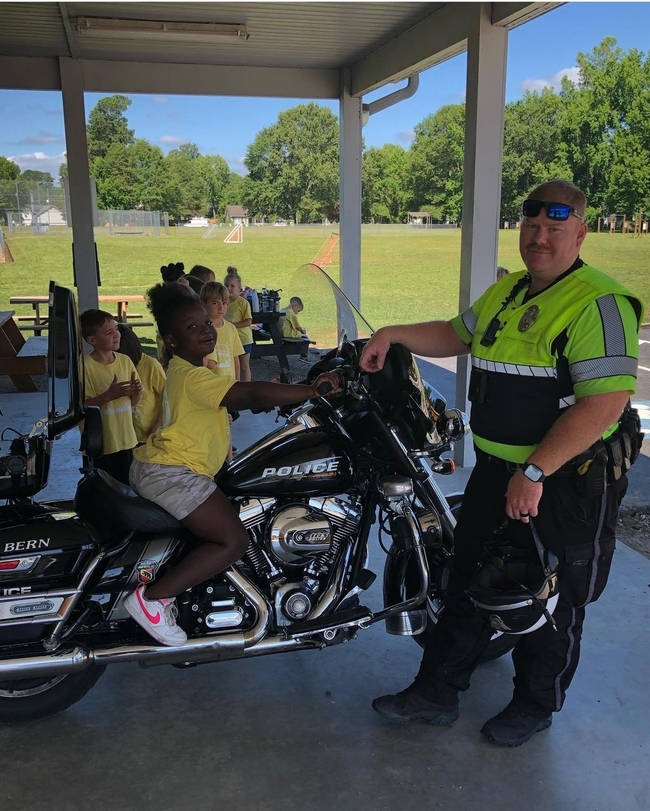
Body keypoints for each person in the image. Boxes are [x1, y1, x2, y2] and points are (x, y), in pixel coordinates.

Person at [360, 180, 643, 747]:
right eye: (531, 226)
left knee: (550, 596)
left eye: (555, 229)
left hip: (563, 480)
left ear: (581, 233)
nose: (539, 238)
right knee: (467, 578)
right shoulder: (509, 291)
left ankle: (534, 706)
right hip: (497, 472)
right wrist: (391, 334)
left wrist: (535, 471)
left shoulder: (600, 303)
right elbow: (455, 334)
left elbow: (605, 404)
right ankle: (435, 693)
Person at [123, 283, 341, 646]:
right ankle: (153, 600)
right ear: (171, 340)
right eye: (192, 327)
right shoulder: (191, 376)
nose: (206, 330)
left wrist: (273, 397)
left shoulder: (191, 371)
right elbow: (248, 392)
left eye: (206, 323)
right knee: (233, 540)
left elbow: (237, 398)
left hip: (170, 467)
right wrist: (311, 390)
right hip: (172, 473)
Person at [80, 309, 143, 485]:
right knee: (103, 489)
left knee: (127, 488)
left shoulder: (125, 361)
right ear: (92, 340)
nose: (117, 335)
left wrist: (136, 392)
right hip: (99, 444)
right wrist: (109, 395)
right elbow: (81, 407)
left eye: (116, 329)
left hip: (126, 440)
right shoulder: (85, 367)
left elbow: (133, 403)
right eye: (109, 333)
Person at [116, 324, 166, 444]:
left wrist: (157, 426)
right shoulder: (113, 366)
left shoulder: (151, 365)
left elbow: (168, 397)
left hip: (148, 437)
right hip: (124, 437)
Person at [200, 281, 244, 380]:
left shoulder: (231, 328)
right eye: (215, 303)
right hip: (209, 383)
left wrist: (237, 382)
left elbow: (235, 357)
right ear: (203, 304)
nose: (221, 308)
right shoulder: (201, 329)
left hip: (228, 383)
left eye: (224, 303)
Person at [224, 269, 253, 382]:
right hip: (229, 339)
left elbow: (248, 321)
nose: (229, 288)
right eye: (226, 285)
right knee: (232, 365)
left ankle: (247, 387)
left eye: (232, 286)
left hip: (243, 339)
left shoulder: (243, 303)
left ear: (239, 288)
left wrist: (232, 325)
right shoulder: (223, 302)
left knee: (244, 366)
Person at [280, 296, 312, 362]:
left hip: (280, 332)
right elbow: (298, 327)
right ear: (295, 305)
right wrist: (303, 331)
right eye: (298, 310)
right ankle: (304, 356)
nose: (297, 313)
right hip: (287, 334)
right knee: (305, 337)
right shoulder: (290, 313)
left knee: (302, 335)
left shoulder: (282, 310)